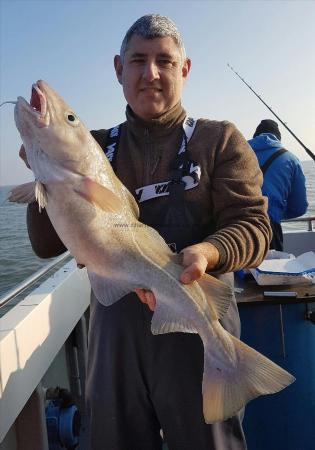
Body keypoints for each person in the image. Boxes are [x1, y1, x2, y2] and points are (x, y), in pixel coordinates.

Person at [21, 14, 271, 450]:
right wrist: (46, 179)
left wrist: (209, 253)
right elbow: (45, 246)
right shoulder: (94, 147)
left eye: (164, 61)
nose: (150, 74)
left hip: (197, 334)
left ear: (184, 69)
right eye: (137, 60)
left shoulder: (221, 141)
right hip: (116, 337)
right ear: (119, 69)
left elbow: (254, 226)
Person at [248, 119, 308, 251]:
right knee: (268, 270)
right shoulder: (291, 159)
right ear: (278, 138)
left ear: (255, 136)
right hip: (268, 226)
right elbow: (299, 207)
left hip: (230, 225)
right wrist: (276, 213)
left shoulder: (236, 151)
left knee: (236, 270)